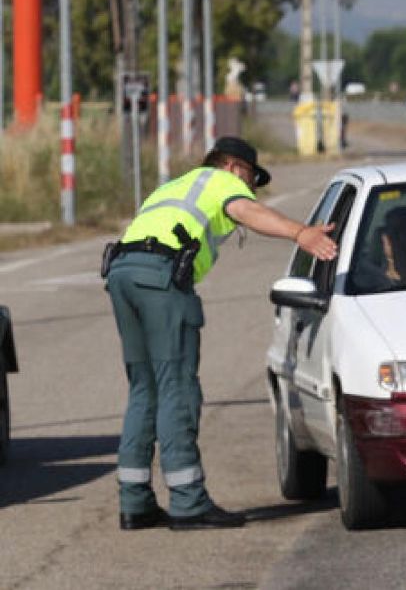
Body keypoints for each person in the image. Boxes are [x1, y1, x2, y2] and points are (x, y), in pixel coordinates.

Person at [104, 135, 337, 531]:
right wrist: (302, 234)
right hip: (160, 280)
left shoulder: (173, 186)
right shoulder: (221, 181)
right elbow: (246, 210)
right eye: (250, 177)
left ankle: (135, 501)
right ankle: (188, 502)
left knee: (145, 387)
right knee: (177, 386)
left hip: (122, 273)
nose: (250, 187)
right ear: (232, 166)